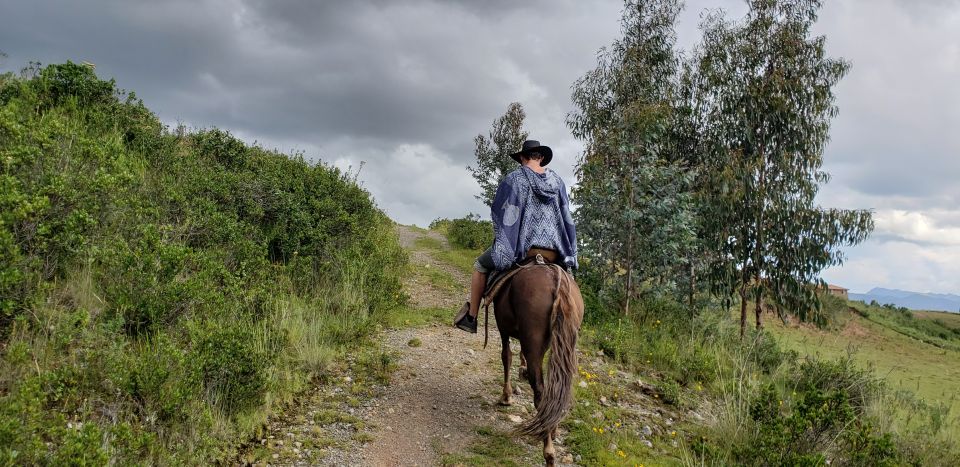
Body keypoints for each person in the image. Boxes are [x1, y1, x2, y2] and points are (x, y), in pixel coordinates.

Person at [454, 139, 578, 333]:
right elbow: (566, 216)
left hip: (525, 248)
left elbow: (503, 213)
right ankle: (575, 323)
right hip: (555, 252)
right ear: (542, 158)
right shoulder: (558, 182)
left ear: (522, 157)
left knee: (480, 266)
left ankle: (471, 317)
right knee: (568, 281)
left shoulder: (514, 179)